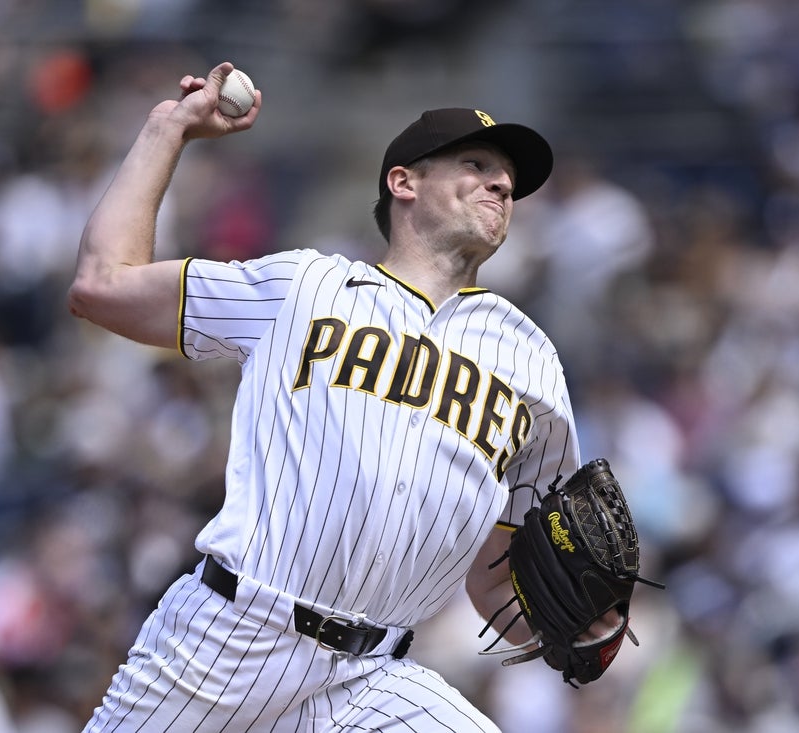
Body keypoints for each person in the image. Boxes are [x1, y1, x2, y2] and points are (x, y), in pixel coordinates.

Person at [68, 60, 597, 732]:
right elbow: (102, 285)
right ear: (403, 182)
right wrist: (165, 130)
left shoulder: (532, 360)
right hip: (227, 641)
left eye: (509, 180)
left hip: (372, 678)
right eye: (476, 164)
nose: (502, 183)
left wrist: (580, 629)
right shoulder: (305, 286)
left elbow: (494, 580)